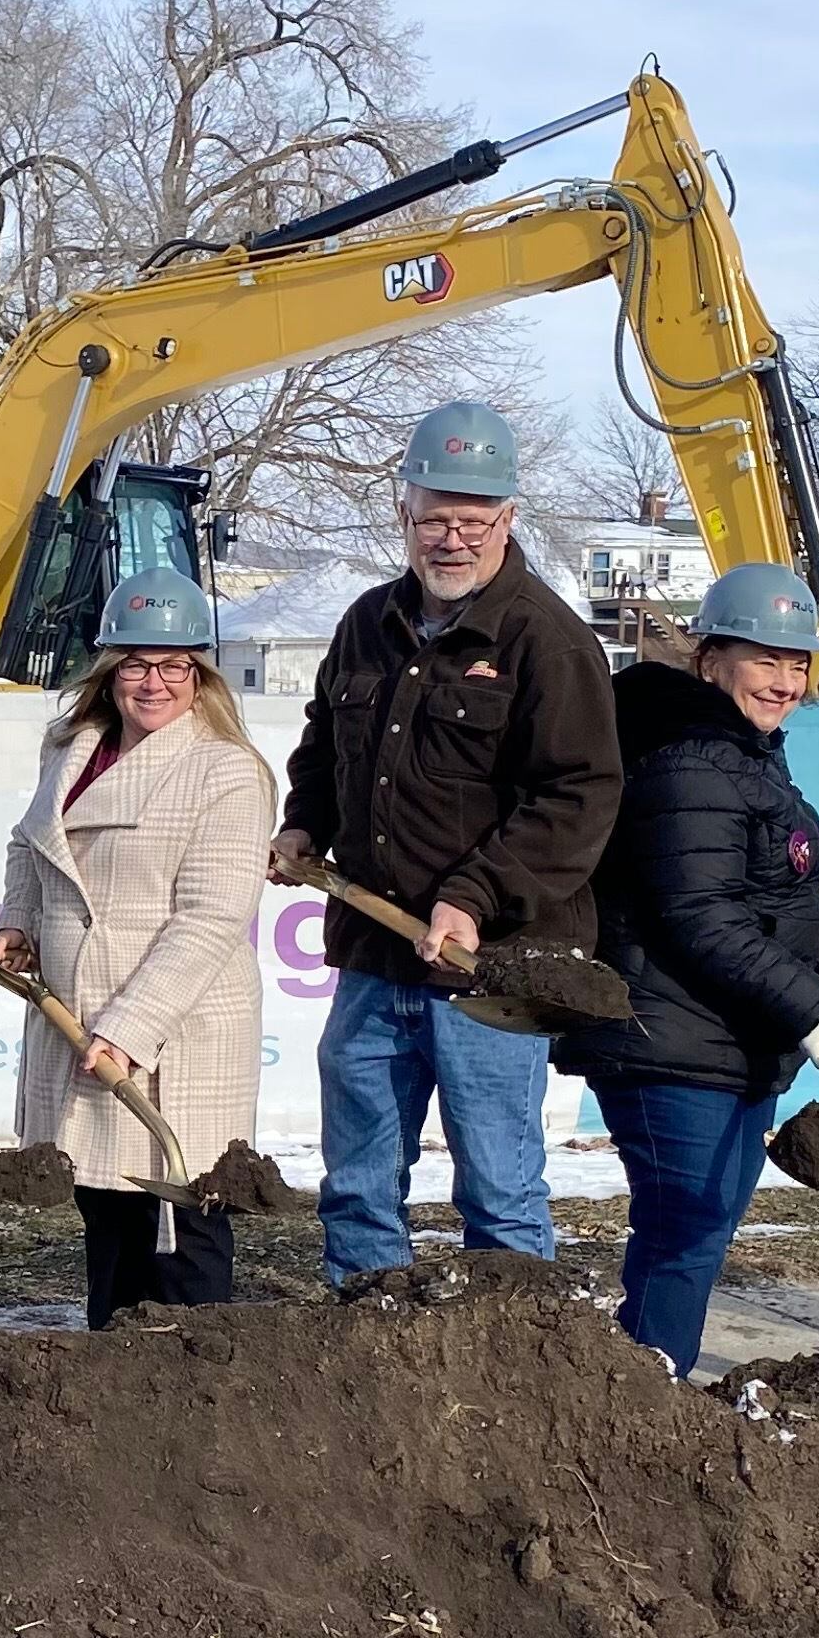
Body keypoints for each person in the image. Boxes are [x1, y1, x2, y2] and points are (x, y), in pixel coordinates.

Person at [271, 401, 622, 1284]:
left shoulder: (547, 641)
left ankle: (514, 1371)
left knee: (498, 1190)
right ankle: (367, 1352)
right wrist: (304, 819)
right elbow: (321, 743)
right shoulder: (364, 624)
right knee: (355, 1183)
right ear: (403, 513)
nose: (452, 539)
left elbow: (577, 797)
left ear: (508, 519)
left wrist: (471, 897)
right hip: (373, 962)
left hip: (491, 973)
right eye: (435, 517)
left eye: (474, 519)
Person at [554, 566, 819, 1376]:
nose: (785, 681)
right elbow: (699, 914)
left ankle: (648, 1392)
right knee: (683, 1232)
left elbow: (734, 867)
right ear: (708, 659)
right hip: (669, 1044)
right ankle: (643, 1406)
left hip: (727, 1044)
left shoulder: (742, 755)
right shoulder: (691, 758)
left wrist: (817, 866)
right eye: (763, 660)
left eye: (797, 664)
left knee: (702, 1228)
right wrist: (807, 1005)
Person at [0, 569, 273, 1330]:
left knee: (184, 1217)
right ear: (108, 670)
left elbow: (212, 918)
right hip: (81, 1016)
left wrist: (129, 1025)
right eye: (136, 665)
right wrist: (18, 920)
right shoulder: (75, 747)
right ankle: (115, 1388)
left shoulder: (225, 771)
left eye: (173, 664)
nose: (154, 683)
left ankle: (197, 1388)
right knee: (108, 1217)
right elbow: (28, 844)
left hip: (172, 1033)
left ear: (199, 674)